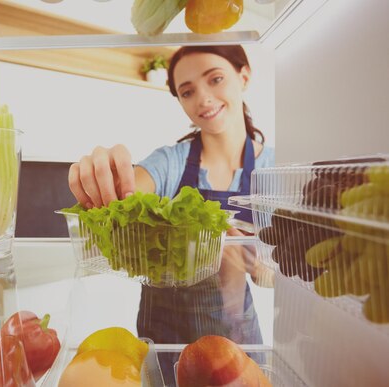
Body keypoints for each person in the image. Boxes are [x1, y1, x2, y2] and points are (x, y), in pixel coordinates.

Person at [67, 45, 275, 383]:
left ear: (244, 76)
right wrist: (108, 176)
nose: (203, 99)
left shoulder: (271, 169)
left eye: (216, 79)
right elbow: (130, 191)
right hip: (164, 331)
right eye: (187, 91)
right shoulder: (169, 162)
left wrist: (253, 260)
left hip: (235, 333)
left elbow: (273, 277)